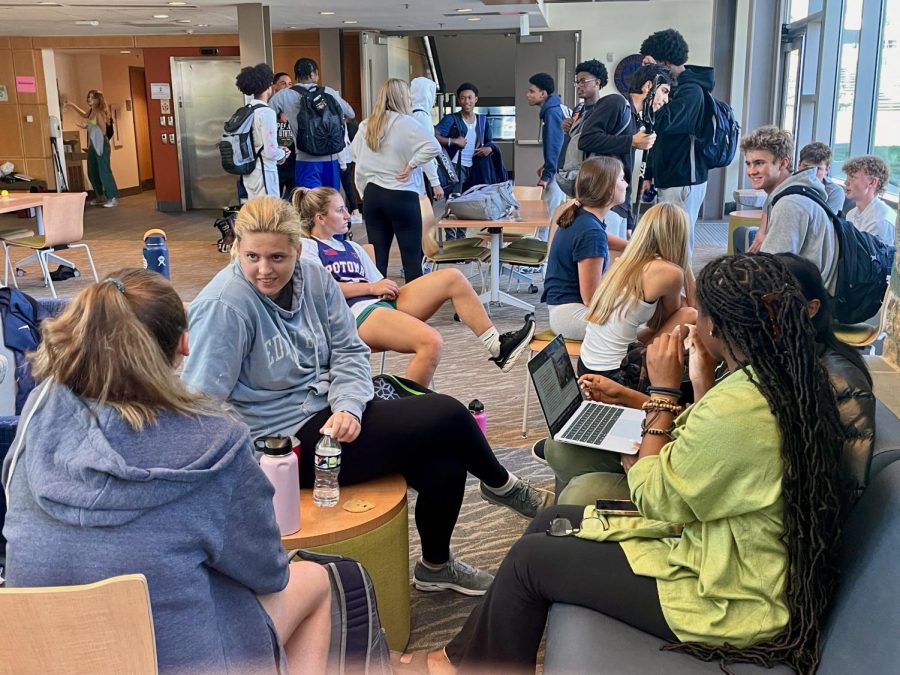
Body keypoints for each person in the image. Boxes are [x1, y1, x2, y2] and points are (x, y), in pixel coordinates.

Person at [418, 252, 845, 674]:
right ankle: (460, 660)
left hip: (730, 598)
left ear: (716, 327)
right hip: (736, 559)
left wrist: (663, 390)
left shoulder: (741, 406)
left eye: (701, 316)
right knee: (551, 520)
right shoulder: (785, 376)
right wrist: (698, 380)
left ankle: (462, 666)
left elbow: (656, 499)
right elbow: (706, 449)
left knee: (532, 560)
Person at [181, 196, 553, 597]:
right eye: (252, 256)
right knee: (446, 413)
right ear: (236, 247)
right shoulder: (226, 305)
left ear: (297, 249)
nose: (264, 270)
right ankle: (503, 486)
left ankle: (435, 567)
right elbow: (200, 406)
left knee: (443, 460)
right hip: (282, 444)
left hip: (332, 412)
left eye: (277, 257)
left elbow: (349, 351)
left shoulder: (315, 277)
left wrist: (348, 405)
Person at [2, 269, 332, 673]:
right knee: (313, 580)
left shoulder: (39, 409)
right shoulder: (217, 442)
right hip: (173, 662)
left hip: (47, 658)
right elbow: (268, 573)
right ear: (183, 345)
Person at [543, 252, 876, 510]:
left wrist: (661, 400)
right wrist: (638, 397)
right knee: (564, 448)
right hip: (690, 469)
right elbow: (709, 423)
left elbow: (713, 443)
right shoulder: (761, 362)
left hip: (688, 495)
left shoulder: (791, 379)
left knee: (580, 494)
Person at [294, 187, 535, 386]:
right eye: (340, 210)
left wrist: (381, 288)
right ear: (320, 218)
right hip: (353, 316)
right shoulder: (309, 248)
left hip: (378, 306)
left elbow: (378, 283)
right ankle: (412, 409)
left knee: (452, 277)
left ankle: (498, 347)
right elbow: (322, 292)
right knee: (431, 342)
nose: (348, 215)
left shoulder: (354, 248)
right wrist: (370, 288)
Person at [578, 202, 696, 381]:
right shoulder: (669, 272)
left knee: (652, 331)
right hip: (617, 374)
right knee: (691, 315)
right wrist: (685, 262)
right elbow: (681, 313)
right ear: (679, 238)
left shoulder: (627, 261)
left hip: (587, 365)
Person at [350, 78, 441, 283]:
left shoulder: (366, 125)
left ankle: (379, 310)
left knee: (377, 263)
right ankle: (413, 311)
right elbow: (433, 147)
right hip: (402, 195)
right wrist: (411, 164)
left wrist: (365, 191)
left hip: (373, 196)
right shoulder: (407, 123)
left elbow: (354, 157)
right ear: (402, 98)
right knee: (411, 262)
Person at [639, 29, 714, 249]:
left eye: (652, 64)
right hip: (669, 174)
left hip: (683, 178)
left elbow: (663, 122)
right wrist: (649, 174)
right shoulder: (674, 88)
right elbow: (656, 133)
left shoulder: (691, 91)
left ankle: (680, 284)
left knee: (678, 242)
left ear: (666, 62)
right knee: (667, 239)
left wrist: (653, 82)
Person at [742, 126, 838, 292]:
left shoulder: (790, 204)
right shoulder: (793, 193)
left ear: (783, 163)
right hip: (808, 291)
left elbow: (771, 273)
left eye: (759, 163)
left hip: (810, 302)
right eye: (749, 164)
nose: (751, 171)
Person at [578, 63, 674, 230]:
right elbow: (586, 140)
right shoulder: (616, 103)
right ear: (648, 86)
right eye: (664, 91)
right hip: (602, 200)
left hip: (618, 204)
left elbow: (626, 170)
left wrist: (629, 220)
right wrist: (631, 141)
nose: (665, 100)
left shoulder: (635, 117)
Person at [542, 156, 628, 340]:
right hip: (571, 314)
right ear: (608, 189)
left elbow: (606, 240)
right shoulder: (590, 231)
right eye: (621, 179)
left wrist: (640, 248)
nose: (626, 184)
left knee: (636, 311)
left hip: (563, 309)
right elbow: (591, 299)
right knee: (641, 322)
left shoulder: (583, 217)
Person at [270, 57, 355, 190]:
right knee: (330, 203)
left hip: (304, 160)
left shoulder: (283, 95)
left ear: (296, 76)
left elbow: (267, 116)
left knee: (309, 205)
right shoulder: (329, 92)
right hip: (331, 159)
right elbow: (351, 114)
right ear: (313, 74)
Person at [234, 63, 286, 199]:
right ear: (268, 86)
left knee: (255, 212)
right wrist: (283, 153)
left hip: (248, 171)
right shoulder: (267, 112)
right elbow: (270, 151)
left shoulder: (246, 110)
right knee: (268, 214)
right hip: (265, 171)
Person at [64, 90, 119, 208]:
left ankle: (112, 197)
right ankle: (100, 196)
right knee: (92, 170)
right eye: (89, 97)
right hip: (93, 144)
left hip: (100, 143)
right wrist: (71, 105)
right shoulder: (91, 111)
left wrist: (92, 130)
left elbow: (103, 130)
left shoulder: (99, 112)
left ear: (98, 99)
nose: (90, 99)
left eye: (92, 98)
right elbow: (84, 115)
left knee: (104, 171)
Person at [526, 72, 567, 230]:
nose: (528, 94)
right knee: (557, 216)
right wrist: (546, 164)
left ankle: (545, 253)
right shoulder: (556, 109)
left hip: (557, 172)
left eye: (531, 91)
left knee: (547, 219)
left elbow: (556, 146)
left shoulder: (552, 112)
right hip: (561, 168)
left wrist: (547, 174)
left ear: (543, 94)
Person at [842, 154, 896, 246]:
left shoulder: (881, 220)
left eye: (853, 177)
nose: (846, 182)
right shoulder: (851, 214)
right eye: (847, 177)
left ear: (872, 182)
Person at [410, 77, 445, 203]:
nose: (434, 99)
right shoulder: (421, 116)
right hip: (420, 173)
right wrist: (435, 183)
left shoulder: (411, 113)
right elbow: (426, 151)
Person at [797, 142, 846, 214]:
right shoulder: (787, 183)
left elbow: (827, 223)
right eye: (806, 167)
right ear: (799, 165)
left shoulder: (834, 192)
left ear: (827, 169)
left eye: (818, 169)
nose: (811, 173)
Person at [273, 71, 296, 200]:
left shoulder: (295, 108)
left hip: (293, 162)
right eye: (283, 84)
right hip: (276, 164)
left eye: (290, 84)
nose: (287, 87)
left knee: (295, 201)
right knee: (276, 202)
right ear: (274, 86)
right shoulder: (270, 109)